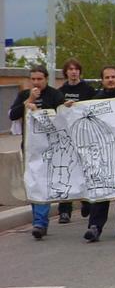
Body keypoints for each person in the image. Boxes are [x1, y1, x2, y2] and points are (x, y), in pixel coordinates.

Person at [9, 65, 65, 240]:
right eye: (33, 79)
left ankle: (40, 222)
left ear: (46, 79)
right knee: (33, 183)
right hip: (29, 148)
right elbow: (13, 115)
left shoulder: (55, 95)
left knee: (42, 183)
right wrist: (29, 101)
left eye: (39, 79)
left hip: (49, 148)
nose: (36, 82)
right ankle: (39, 221)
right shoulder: (24, 95)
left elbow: (62, 117)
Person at [83, 66, 115, 242]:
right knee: (100, 189)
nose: (110, 80)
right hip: (102, 152)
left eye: (113, 76)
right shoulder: (94, 100)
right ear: (102, 80)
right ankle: (95, 227)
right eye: (107, 77)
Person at [58, 58, 96, 223]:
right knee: (66, 172)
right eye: (70, 69)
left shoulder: (88, 90)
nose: (73, 72)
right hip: (67, 138)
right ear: (66, 72)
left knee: (85, 171)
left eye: (76, 69)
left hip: (85, 136)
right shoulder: (60, 91)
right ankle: (64, 211)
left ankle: (86, 202)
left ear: (80, 71)